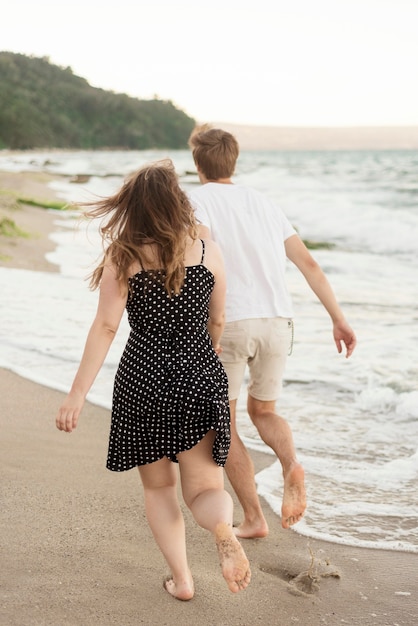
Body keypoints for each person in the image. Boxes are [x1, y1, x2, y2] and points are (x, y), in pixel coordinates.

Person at [55, 159, 251, 600]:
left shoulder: (123, 256)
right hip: (199, 373)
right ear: (178, 201)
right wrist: (206, 349)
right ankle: (222, 527)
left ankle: (182, 581)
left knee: (160, 488)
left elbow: (105, 327)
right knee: (205, 488)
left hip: (143, 378)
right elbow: (217, 318)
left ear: (133, 207)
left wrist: (76, 395)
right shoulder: (206, 250)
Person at [188, 126, 357, 539]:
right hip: (279, 321)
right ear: (235, 159)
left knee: (222, 424)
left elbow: (204, 255)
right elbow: (309, 264)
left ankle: (254, 519)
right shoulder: (264, 202)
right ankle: (290, 463)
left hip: (231, 321)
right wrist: (338, 318)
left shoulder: (195, 200)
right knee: (264, 410)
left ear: (197, 163)